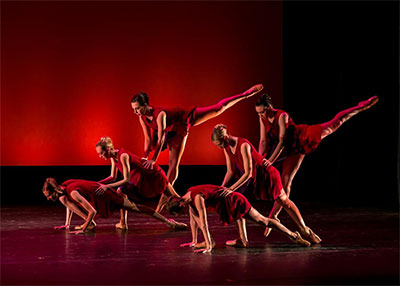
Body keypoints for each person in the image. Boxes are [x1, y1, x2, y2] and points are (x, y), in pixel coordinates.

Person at [130, 84, 264, 212]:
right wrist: (145, 157)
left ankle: (245, 94)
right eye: (133, 109)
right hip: (170, 132)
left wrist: (153, 160)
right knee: (170, 166)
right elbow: (148, 139)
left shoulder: (160, 115)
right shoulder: (142, 117)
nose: (135, 112)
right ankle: (163, 201)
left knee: (217, 109)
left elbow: (160, 139)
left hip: (182, 122)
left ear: (146, 105)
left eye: (137, 108)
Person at [255, 94, 379, 227]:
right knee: (285, 181)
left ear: (269, 107)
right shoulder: (262, 118)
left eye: (262, 112)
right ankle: (274, 215)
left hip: (300, 139)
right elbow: (263, 140)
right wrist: (259, 159)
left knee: (334, 124)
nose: (261, 115)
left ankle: (359, 107)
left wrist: (271, 160)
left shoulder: (282, 116)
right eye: (258, 113)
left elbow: (282, 141)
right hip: (288, 150)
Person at [211, 124, 321, 242]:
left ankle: (304, 229)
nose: (220, 147)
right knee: (238, 201)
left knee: (284, 201)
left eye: (220, 144)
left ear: (226, 137)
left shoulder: (243, 145)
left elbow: (248, 173)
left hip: (267, 175)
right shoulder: (227, 147)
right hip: (257, 179)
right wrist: (222, 187)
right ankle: (243, 239)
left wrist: (231, 188)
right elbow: (230, 171)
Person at [166, 185, 311, 254]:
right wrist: (194, 241)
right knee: (244, 219)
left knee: (263, 221)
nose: (184, 214)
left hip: (235, 201)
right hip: (227, 204)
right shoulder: (187, 197)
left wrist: (209, 246)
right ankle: (242, 240)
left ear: (180, 204)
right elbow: (194, 220)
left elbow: (203, 222)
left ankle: (293, 235)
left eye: (181, 213)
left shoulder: (196, 198)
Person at [95, 136, 186, 230]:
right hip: (142, 180)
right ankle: (122, 223)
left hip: (153, 176)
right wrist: (97, 183)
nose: (100, 156)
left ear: (108, 149)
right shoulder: (113, 157)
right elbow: (112, 177)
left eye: (101, 153)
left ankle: (196, 213)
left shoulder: (123, 156)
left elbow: (126, 179)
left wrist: (106, 186)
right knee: (120, 192)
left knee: (177, 199)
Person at [42, 178, 186, 233]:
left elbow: (91, 211)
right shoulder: (64, 187)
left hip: (108, 197)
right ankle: (121, 223)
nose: (49, 199)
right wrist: (67, 224)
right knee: (63, 200)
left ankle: (170, 223)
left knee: (136, 208)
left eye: (49, 196)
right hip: (99, 198)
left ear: (55, 190)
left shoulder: (72, 192)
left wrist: (84, 228)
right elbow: (68, 204)